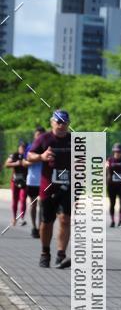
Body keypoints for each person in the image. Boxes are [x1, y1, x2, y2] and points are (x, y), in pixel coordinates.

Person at [27, 110, 72, 268]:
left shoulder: (74, 140)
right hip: (48, 187)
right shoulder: (44, 139)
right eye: (58, 122)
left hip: (67, 187)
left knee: (65, 219)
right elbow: (29, 156)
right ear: (52, 122)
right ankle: (45, 252)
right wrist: (41, 157)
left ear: (68, 124)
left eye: (64, 122)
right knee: (47, 222)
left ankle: (61, 255)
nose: (61, 125)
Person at [25, 126, 44, 237]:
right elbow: (24, 162)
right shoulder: (30, 147)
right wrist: (35, 159)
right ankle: (34, 227)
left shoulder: (47, 147)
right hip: (32, 180)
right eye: (38, 135)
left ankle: (41, 227)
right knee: (33, 204)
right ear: (35, 136)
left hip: (44, 180)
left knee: (43, 204)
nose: (39, 137)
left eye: (41, 135)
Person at [4, 141, 28, 227]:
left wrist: (26, 164)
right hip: (15, 181)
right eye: (21, 147)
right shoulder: (14, 155)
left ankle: (22, 218)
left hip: (25, 181)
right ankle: (14, 218)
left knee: (23, 199)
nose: (23, 149)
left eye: (24, 148)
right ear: (18, 148)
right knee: (15, 199)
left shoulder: (28, 156)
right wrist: (16, 163)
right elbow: (6, 164)